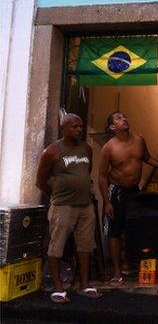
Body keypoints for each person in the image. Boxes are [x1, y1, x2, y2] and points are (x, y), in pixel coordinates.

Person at [36, 113, 102, 302]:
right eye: (74, 127)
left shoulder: (87, 149)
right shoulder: (52, 151)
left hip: (85, 206)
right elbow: (40, 181)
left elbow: (86, 172)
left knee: (85, 246)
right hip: (62, 206)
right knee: (56, 246)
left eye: (80, 126)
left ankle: (85, 285)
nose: (79, 130)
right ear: (63, 129)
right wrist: (58, 194)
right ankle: (58, 288)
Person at [98, 112, 158, 285]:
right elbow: (102, 176)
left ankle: (129, 263)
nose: (124, 119)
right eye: (119, 118)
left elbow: (148, 158)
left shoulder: (139, 139)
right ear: (112, 127)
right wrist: (106, 201)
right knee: (114, 230)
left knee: (135, 227)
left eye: (124, 117)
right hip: (116, 192)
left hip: (134, 191)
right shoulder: (108, 147)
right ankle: (116, 272)